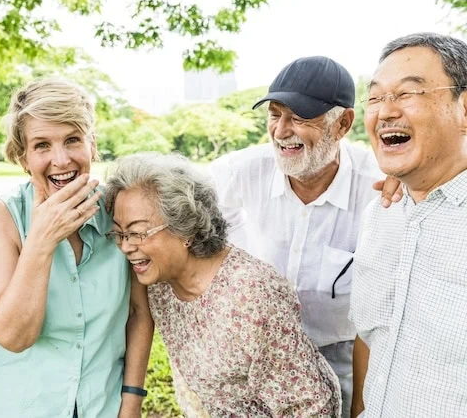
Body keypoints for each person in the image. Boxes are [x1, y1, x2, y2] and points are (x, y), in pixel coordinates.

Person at [208, 56, 390, 418]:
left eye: (300, 117)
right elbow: (183, 211)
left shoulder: (380, 187)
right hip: (256, 352)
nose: (281, 130)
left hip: (341, 353)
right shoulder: (240, 171)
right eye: (275, 114)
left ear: (342, 125)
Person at [106, 152, 342, 417]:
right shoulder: (159, 282)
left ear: (184, 229)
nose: (126, 246)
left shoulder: (250, 296)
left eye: (138, 232)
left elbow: (312, 406)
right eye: (120, 233)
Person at [0, 78, 154, 417]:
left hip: (102, 406)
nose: (61, 160)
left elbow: (138, 314)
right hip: (17, 407)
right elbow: (13, 337)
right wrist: (41, 239)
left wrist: (131, 402)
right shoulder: (1, 216)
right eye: (42, 145)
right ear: (22, 156)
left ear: (92, 145)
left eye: (72, 140)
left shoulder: (118, 210)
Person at [349, 33, 467, 418]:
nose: (385, 111)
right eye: (375, 97)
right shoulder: (381, 213)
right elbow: (370, 336)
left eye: (407, 93)